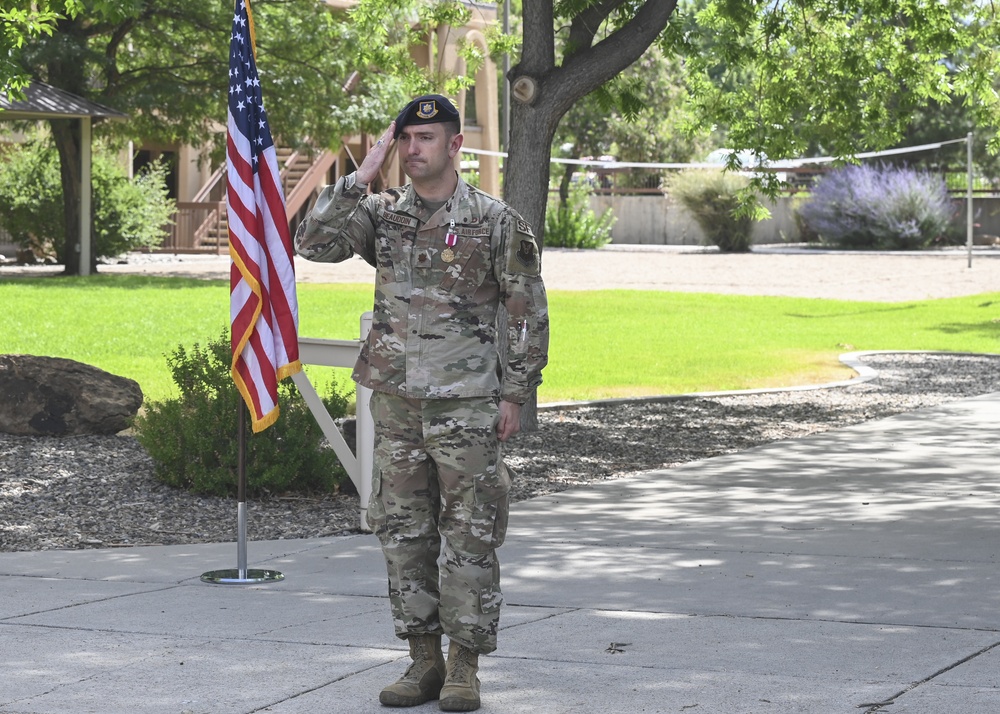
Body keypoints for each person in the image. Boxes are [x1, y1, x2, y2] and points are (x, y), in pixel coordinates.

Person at [294, 94, 549, 711]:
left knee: (470, 533)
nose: (413, 150)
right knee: (402, 532)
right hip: (397, 402)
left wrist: (517, 392)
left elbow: (526, 312)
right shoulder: (382, 214)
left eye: (426, 138)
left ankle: (464, 666)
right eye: (405, 139)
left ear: (456, 145)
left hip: (467, 405)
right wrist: (360, 174)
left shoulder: (494, 221)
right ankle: (422, 661)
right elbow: (311, 242)